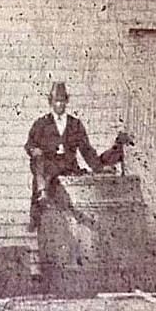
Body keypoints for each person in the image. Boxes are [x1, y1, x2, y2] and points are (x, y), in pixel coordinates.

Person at [24, 82, 127, 228]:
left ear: (67, 100)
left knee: (45, 170)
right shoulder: (41, 124)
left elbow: (86, 150)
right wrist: (33, 150)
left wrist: (98, 167)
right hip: (48, 166)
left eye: (62, 100)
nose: (59, 104)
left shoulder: (75, 124)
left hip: (68, 166)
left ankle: (43, 194)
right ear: (50, 101)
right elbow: (29, 144)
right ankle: (41, 198)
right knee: (39, 162)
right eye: (56, 100)